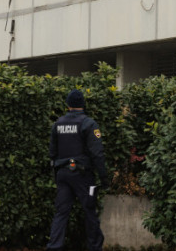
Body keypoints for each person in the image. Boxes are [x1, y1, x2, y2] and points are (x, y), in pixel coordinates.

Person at [47, 89, 108, 251]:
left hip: (63, 174)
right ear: (82, 105)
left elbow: (52, 153)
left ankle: (54, 247)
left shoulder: (58, 124)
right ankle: (94, 247)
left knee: (61, 213)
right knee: (89, 210)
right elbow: (97, 153)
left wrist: (57, 174)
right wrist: (104, 178)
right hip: (83, 175)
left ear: (68, 105)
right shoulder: (89, 124)